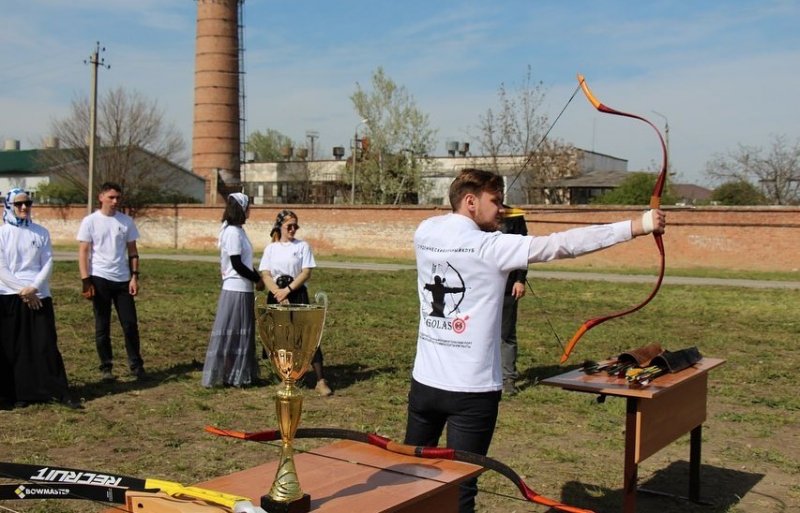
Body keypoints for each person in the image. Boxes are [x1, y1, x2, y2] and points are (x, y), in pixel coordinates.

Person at [404, 168, 666, 513]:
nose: (502, 210)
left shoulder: (426, 231)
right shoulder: (490, 246)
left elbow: (452, 225)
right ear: (470, 201)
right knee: (462, 487)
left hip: (424, 385)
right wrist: (638, 225)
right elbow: (563, 245)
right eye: (495, 201)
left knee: (409, 477)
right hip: (472, 392)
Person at [0, 189, 80, 409]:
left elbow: (47, 263)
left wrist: (34, 288)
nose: (24, 208)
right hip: (9, 296)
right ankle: (16, 395)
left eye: (27, 203)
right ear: (8, 206)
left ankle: (57, 392)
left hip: (39, 294)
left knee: (45, 344)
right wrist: (23, 291)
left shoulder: (41, 232)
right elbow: (2, 269)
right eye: (18, 204)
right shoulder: (2, 233)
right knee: (12, 347)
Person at [259, 209, 332, 396]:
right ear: (280, 227)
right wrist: (278, 293)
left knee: (308, 337)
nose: (292, 229)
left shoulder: (302, 246)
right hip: (277, 296)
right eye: (289, 226)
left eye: (295, 226)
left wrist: (288, 291)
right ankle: (288, 378)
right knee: (282, 338)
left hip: (297, 294)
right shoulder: (271, 249)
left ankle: (320, 380)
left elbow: (306, 272)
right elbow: (265, 274)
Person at [77, 182, 145, 382]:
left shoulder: (126, 222)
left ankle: (136, 365)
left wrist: (134, 277)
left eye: (118, 198)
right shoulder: (90, 221)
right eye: (111, 197)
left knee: (130, 324)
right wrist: (85, 280)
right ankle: (106, 367)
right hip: (100, 278)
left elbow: (133, 251)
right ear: (101, 197)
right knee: (102, 325)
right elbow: (83, 251)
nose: (115, 201)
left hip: (122, 279)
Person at [202, 193, 264, 388]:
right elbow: (237, 264)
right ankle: (227, 374)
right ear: (242, 209)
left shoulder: (239, 231)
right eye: (248, 207)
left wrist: (256, 276)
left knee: (240, 333)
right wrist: (257, 279)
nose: (250, 211)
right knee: (232, 332)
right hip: (235, 288)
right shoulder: (232, 233)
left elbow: (245, 262)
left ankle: (239, 374)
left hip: (243, 288)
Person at [499, 206, 527, 395]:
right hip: (480, 284)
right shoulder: (474, 215)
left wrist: (520, 279)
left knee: (506, 333)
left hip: (509, 284)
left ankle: (508, 378)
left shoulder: (514, 216)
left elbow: (522, 249)